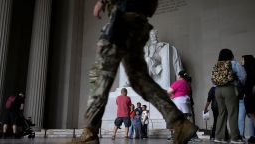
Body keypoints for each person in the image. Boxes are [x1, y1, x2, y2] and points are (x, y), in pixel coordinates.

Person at [75, 0, 198, 143]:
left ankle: (89, 132)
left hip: (121, 21)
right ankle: (180, 123)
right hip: (138, 22)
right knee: (140, 80)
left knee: (101, 74)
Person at [212, 49, 246, 143]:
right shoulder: (234, 63)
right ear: (231, 55)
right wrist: (238, 84)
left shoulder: (217, 65)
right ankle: (235, 137)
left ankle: (219, 137)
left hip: (217, 90)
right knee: (233, 113)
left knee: (221, 113)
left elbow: (213, 80)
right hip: (229, 89)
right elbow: (243, 76)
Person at [242, 55, 255, 143]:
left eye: (242, 60)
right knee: (252, 116)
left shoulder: (251, 69)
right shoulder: (248, 69)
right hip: (249, 95)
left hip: (251, 96)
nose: (241, 62)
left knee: (253, 116)